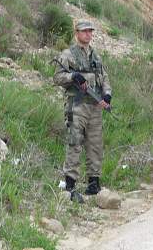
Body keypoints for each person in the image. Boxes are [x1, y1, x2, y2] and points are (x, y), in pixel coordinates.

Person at [53, 19, 112, 203]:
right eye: (85, 31)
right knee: (74, 143)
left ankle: (93, 183)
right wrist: (73, 76)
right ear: (77, 33)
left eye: (90, 31)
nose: (88, 34)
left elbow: (104, 77)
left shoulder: (95, 56)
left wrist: (107, 95)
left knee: (95, 144)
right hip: (76, 106)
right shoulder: (68, 54)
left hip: (94, 107)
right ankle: (70, 184)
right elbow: (57, 77)